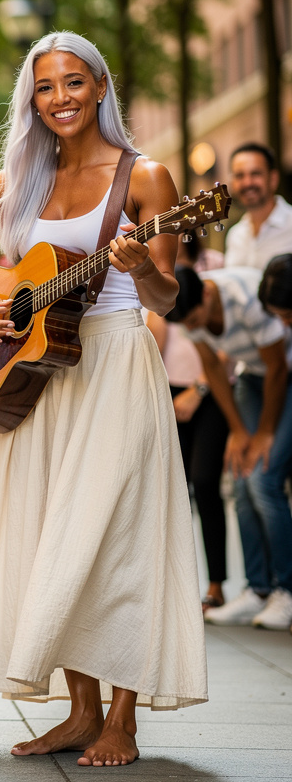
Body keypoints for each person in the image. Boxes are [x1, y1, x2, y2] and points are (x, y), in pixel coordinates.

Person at [0, 30, 207, 767]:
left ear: (102, 88)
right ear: (31, 100)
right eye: (44, 88)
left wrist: (143, 268)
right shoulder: (17, 181)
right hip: (38, 373)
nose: (60, 99)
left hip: (115, 359)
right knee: (55, 530)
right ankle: (79, 712)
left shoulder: (147, 178)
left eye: (74, 83)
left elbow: (168, 300)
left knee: (117, 533)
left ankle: (123, 716)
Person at [167, 262, 292, 631]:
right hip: (252, 381)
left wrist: (264, 433)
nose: (192, 328)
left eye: (194, 319)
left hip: (282, 376)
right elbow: (214, 368)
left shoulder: (245, 296)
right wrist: (238, 431)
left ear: (207, 293)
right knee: (239, 480)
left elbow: (277, 368)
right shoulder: (188, 307)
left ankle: (286, 590)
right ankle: (257, 589)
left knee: (264, 479)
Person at [145, 236, 229, 612]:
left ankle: (216, 585)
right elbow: (153, 328)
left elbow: (228, 340)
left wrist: (200, 388)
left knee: (207, 483)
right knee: (172, 490)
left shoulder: (216, 266)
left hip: (210, 390)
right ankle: (173, 587)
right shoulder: (153, 265)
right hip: (169, 391)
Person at [223, 143, 292, 271]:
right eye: (239, 176)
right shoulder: (235, 235)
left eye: (255, 174)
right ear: (232, 183)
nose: (247, 183)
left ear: (273, 179)